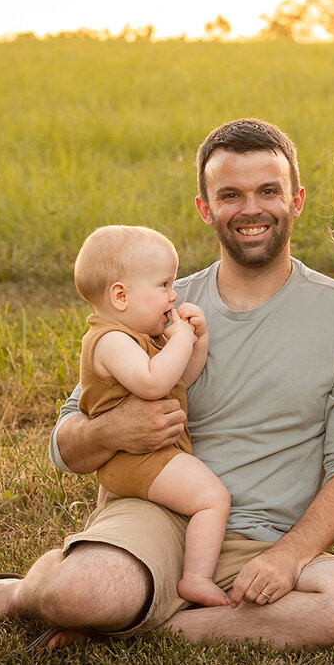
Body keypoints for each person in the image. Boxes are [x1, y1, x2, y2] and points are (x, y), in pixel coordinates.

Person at [0, 118, 334, 650]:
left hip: (266, 543)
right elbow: (66, 442)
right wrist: (113, 429)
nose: (251, 208)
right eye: (230, 194)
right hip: (154, 518)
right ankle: (11, 594)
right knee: (80, 594)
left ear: (295, 200)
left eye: (267, 191)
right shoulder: (156, 305)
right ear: (206, 208)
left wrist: (290, 555)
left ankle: (138, 625)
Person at [72, 224, 229, 607]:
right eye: (163, 285)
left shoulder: (138, 338)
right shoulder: (110, 341)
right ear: (121, 296)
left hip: (137, 460)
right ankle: (196, 577)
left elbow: (180, 381)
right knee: (213, 498)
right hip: (142, 459)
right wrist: (181, 339)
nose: (173, 295)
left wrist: (198, 340)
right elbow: (153, 383)